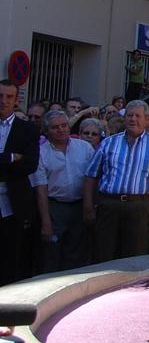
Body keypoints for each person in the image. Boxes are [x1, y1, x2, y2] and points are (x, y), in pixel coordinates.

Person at [83, 100, 149, 263]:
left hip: (140, 206)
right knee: (103, 253)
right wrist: (88, 206)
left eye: (138, 116)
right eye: (129, 115)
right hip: (109, 204)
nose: (133, 119)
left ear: (147, 120)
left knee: (135, 256)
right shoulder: (109, 142)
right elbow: (91, 175)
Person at [30, 110, 94, 272]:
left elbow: (93, 179)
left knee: (77, 253)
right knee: (51, 253)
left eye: (64, 125)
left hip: (80, 206)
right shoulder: (41, 153)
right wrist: (46, 221)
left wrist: (90, 206)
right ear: (46, 131)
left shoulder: (84, 148)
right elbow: (41, 189)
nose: (61, 130)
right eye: (55, 127)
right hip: (54, 207)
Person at [0, 80, 40, 285]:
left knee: (10, 259)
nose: (3, 101)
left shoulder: (28, 130)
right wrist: (10, 158)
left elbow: (30, 165)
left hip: (12, 203)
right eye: (0, 96)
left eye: (9, 97)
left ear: (16, 100)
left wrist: (7, 160)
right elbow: (17, 162)